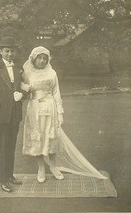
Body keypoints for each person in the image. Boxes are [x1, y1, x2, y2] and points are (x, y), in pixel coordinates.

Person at [22, 46, 107, 183]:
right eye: (40, 58)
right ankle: (41, 168)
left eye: (45, 58)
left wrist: (60, 112)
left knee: (52, 137)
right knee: (38, 138)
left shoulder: (52, 73)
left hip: (50, 107)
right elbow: (23, 89)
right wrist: (23, 89)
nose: (42, 61)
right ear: (34, 58)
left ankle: (54, 167)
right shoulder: (27, 73)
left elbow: (56, 93)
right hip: (35, 108)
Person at [0, 36, 26, 193]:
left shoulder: (18, 69)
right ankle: (3, 180)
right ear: (0, 51)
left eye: (12, 51)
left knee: (11, 146)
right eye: (7, 51)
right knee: (2, 147)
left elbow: (25, 87)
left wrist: (22, 94)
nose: (10, 54)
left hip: (15, 114)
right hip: (1, 114)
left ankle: (9, 175)